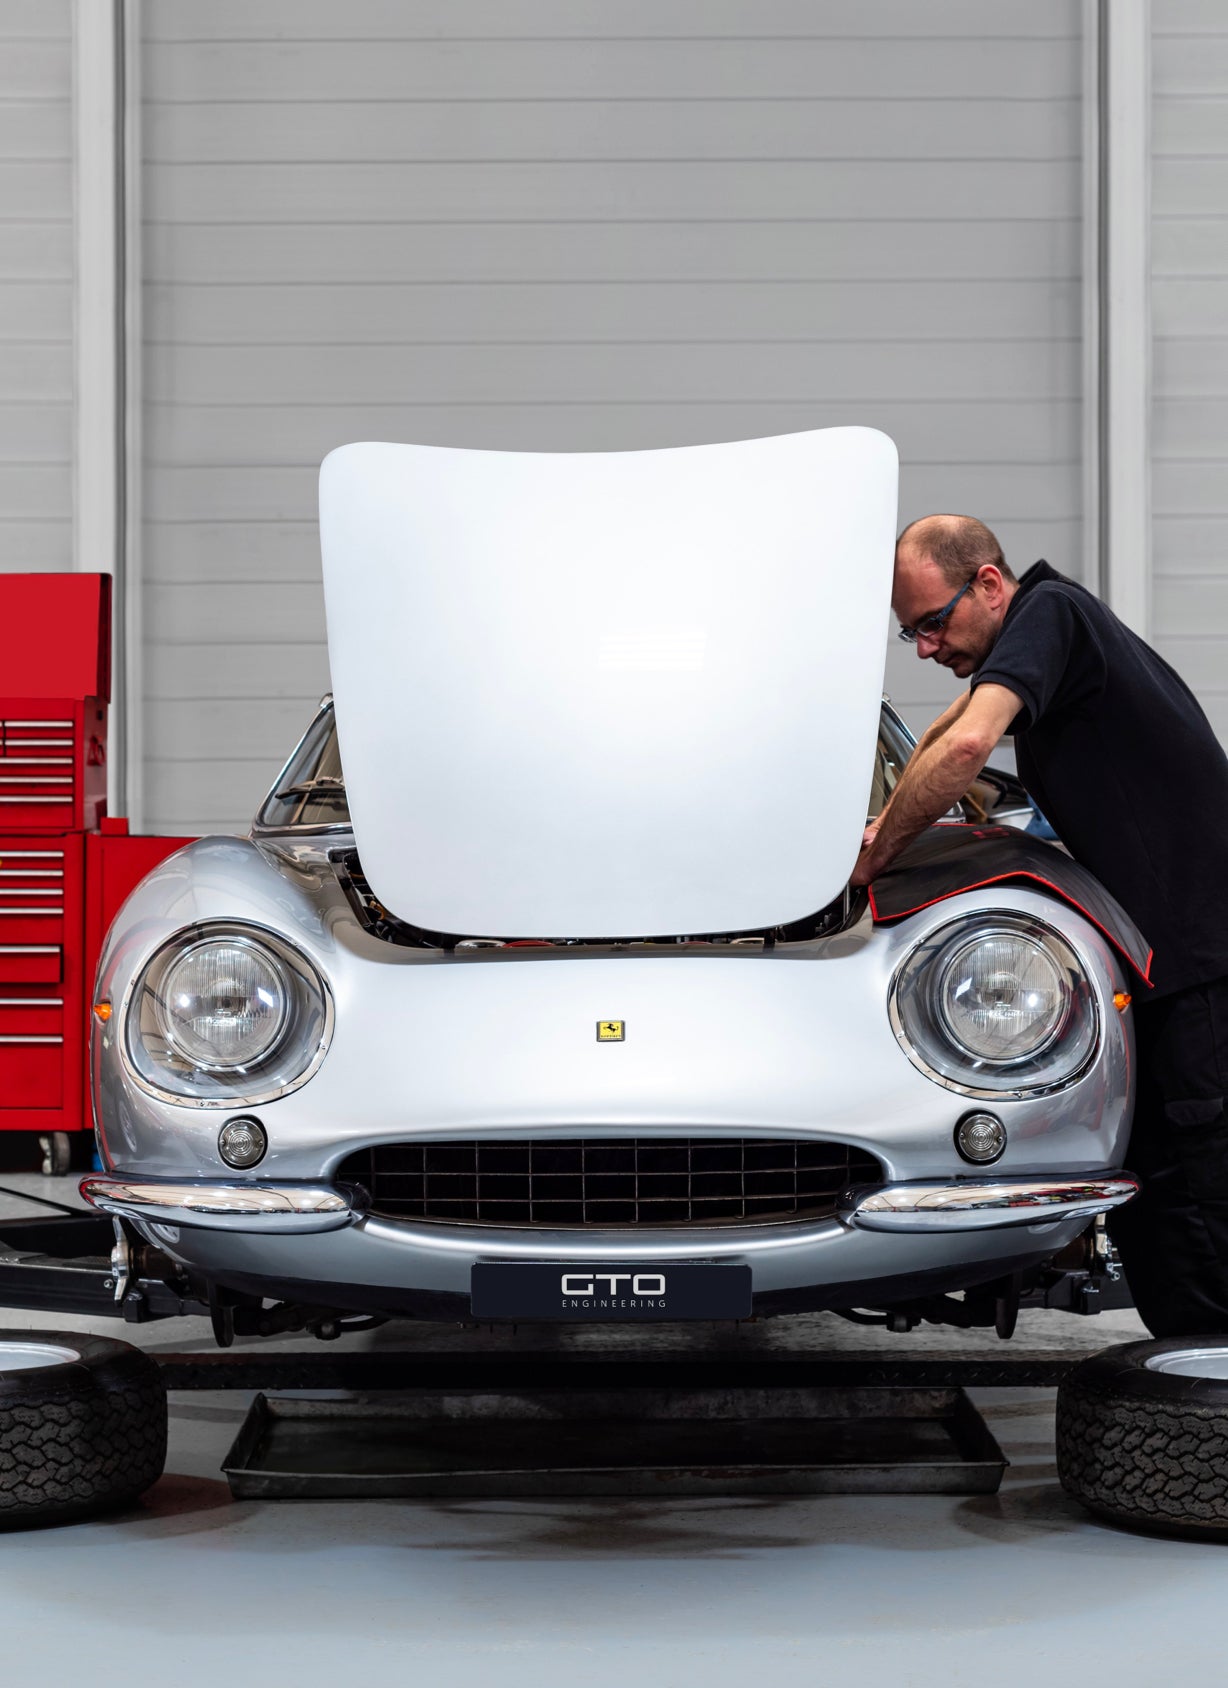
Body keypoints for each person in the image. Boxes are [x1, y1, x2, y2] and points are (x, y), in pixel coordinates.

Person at [852, 513, 1228, 1337]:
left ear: (989, 584)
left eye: (931, 623)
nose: (923, 646)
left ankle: (1207, 1409)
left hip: (1199, 967)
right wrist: (877, 831)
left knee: (1195, 1201)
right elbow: (949, 731)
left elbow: (962, 752)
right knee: (1158, 1194)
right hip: (1175, 960)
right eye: (908, 632)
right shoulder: (1049, 630)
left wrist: (874, 863)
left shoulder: (1051, 615)